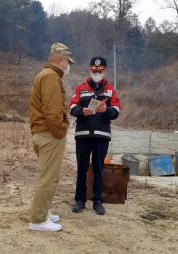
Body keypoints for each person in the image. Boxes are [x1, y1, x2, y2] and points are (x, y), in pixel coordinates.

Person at [29, 42, 75, 232]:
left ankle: (44, 212)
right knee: (48, 178)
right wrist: (61, 130)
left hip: (44, 134)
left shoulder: (46, 75)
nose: (68, 66)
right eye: (68, 62)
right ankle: (38, 220)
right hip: (49, 135)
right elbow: (52, 112)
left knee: (48, 176)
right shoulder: (50, 77)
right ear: (60, 59)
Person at [69, 56, 120, 215]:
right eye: (94, 69)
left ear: (104, 70)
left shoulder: (111, 89)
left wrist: (107, 110)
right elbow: (72, 107)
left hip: (101, 136)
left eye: (100, 69)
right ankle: (80, 200)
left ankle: (98, 201)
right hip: (83, 135)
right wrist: (81, 111)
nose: (97, 71)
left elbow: (117, 111)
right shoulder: (80, 88)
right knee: (81, 168)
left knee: (99, 169)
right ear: (90, 69)